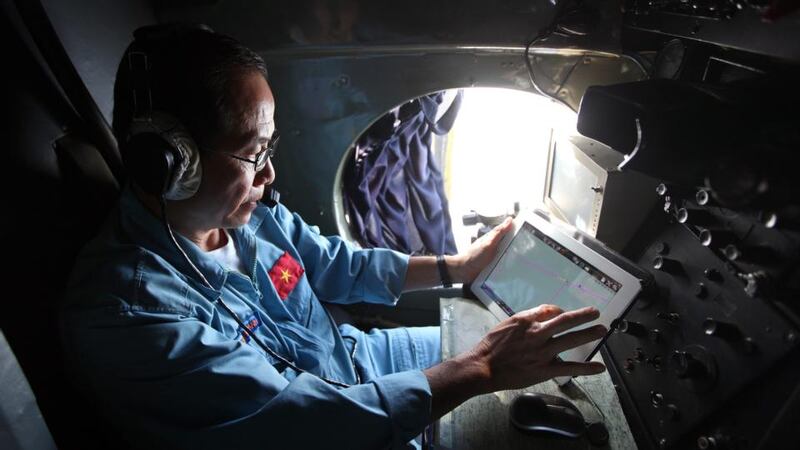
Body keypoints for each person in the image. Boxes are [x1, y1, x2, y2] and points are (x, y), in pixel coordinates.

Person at [60, 25, 607, 450]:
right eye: (255, 154)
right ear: (173, 162)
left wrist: (457, 267)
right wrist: (478, 370)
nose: (270, 175)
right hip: (326, 420)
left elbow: (335, 264)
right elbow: (306, 426)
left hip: (354, 360)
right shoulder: (128, 316)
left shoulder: (249, 217)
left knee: (525, 346)